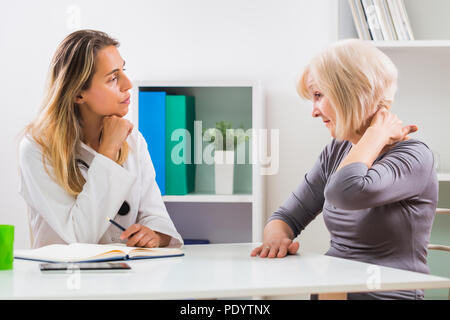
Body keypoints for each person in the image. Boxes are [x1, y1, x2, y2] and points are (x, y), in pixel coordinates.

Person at [251, 39, 438, 300]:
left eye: (318, 96)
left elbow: (346, 192)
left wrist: (376, 134)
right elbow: (286, 217)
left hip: (386, 295)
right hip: (335, 290)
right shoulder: (336, 152)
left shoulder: (415, 156)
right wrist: (276, 238)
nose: (313, 112)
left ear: (349, 93)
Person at [18, 30, 183, 249]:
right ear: (78, 94)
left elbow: (157, 217)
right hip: (62, 278)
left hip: (126, 276)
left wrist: (154, 234)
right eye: (113, 78)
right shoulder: (36, 148)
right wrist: (108, 151)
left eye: (123, 70)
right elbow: (78, 238)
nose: (127, 84)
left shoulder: (133, 139)